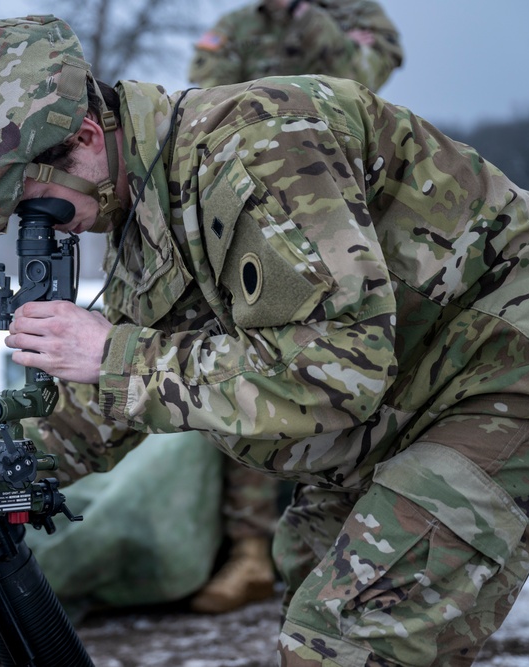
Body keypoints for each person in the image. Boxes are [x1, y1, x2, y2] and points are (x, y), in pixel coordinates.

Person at [0, 14, 529, 665]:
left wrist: (114, 352)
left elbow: (336, 371)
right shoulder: (147, 208)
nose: (33, 232)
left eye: (31, 206)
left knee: (352, 634)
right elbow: (106, 409)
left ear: (84, 138)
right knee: (310, 569)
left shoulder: (258, 150)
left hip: (528, 370)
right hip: (415, 395)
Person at [185, 0, 405, 615]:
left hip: (348, 200)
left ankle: (371, 548)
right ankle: (251, 550)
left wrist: (313, 19)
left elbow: (366, 72)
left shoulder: (353, 12)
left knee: (366, 369)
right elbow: (208, 98)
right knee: (249, 368)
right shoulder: (235, 27)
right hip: (258, 204)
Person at [189, 0, 403, 90]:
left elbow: (361, 82)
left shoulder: (359, 12)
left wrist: (308, 18)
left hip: (334, 142)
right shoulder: (237, 23)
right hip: (250, 139)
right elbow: (212, 92)